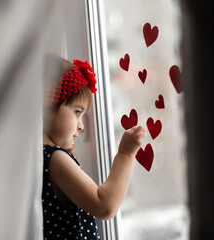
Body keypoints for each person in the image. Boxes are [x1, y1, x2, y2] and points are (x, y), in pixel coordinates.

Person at [42, 57, 145, 240]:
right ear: (45, 108)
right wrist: (125, 154)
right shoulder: (54, 158)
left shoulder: (38, 156)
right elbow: (104, 205)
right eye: (76, 112)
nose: (81, 126)